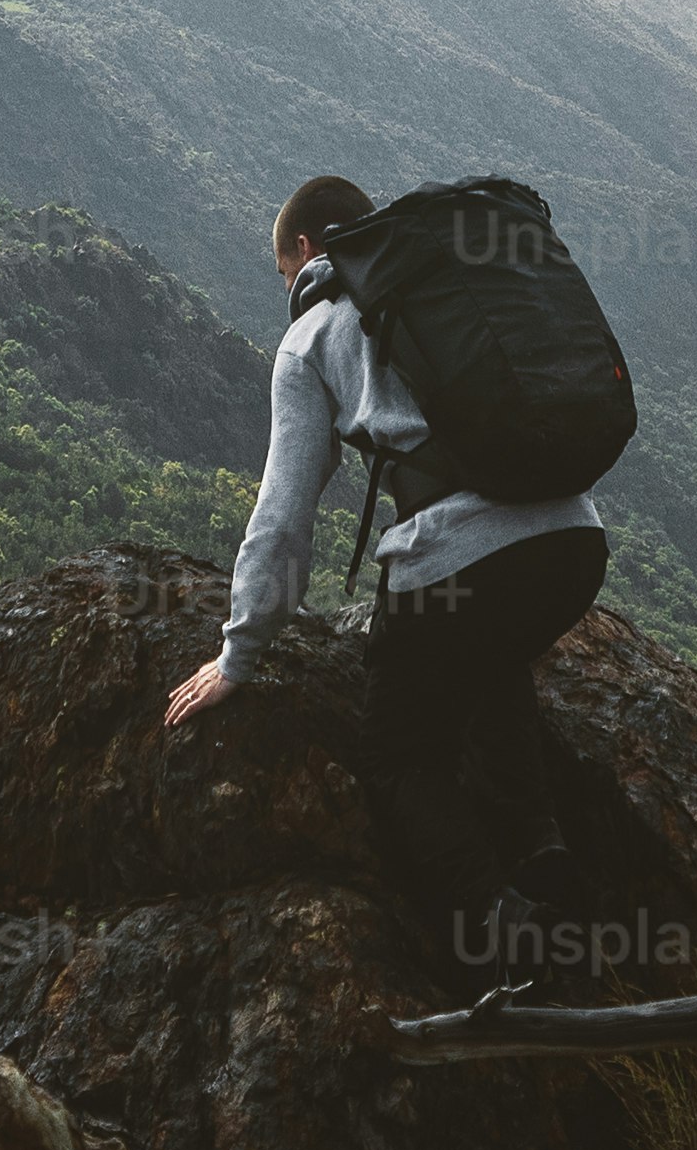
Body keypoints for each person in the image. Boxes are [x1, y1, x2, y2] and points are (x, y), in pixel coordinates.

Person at [159, 171, 608, 976]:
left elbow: (284, 516)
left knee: (400, 755)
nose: (287, 290)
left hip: (466, 557)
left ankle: (510, 942)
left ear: (305, 250)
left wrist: (238, 654)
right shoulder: (443, 289)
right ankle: (546, 854)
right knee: (488, 657)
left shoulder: (309, 338)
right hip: (574, 541)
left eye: (283, 276)